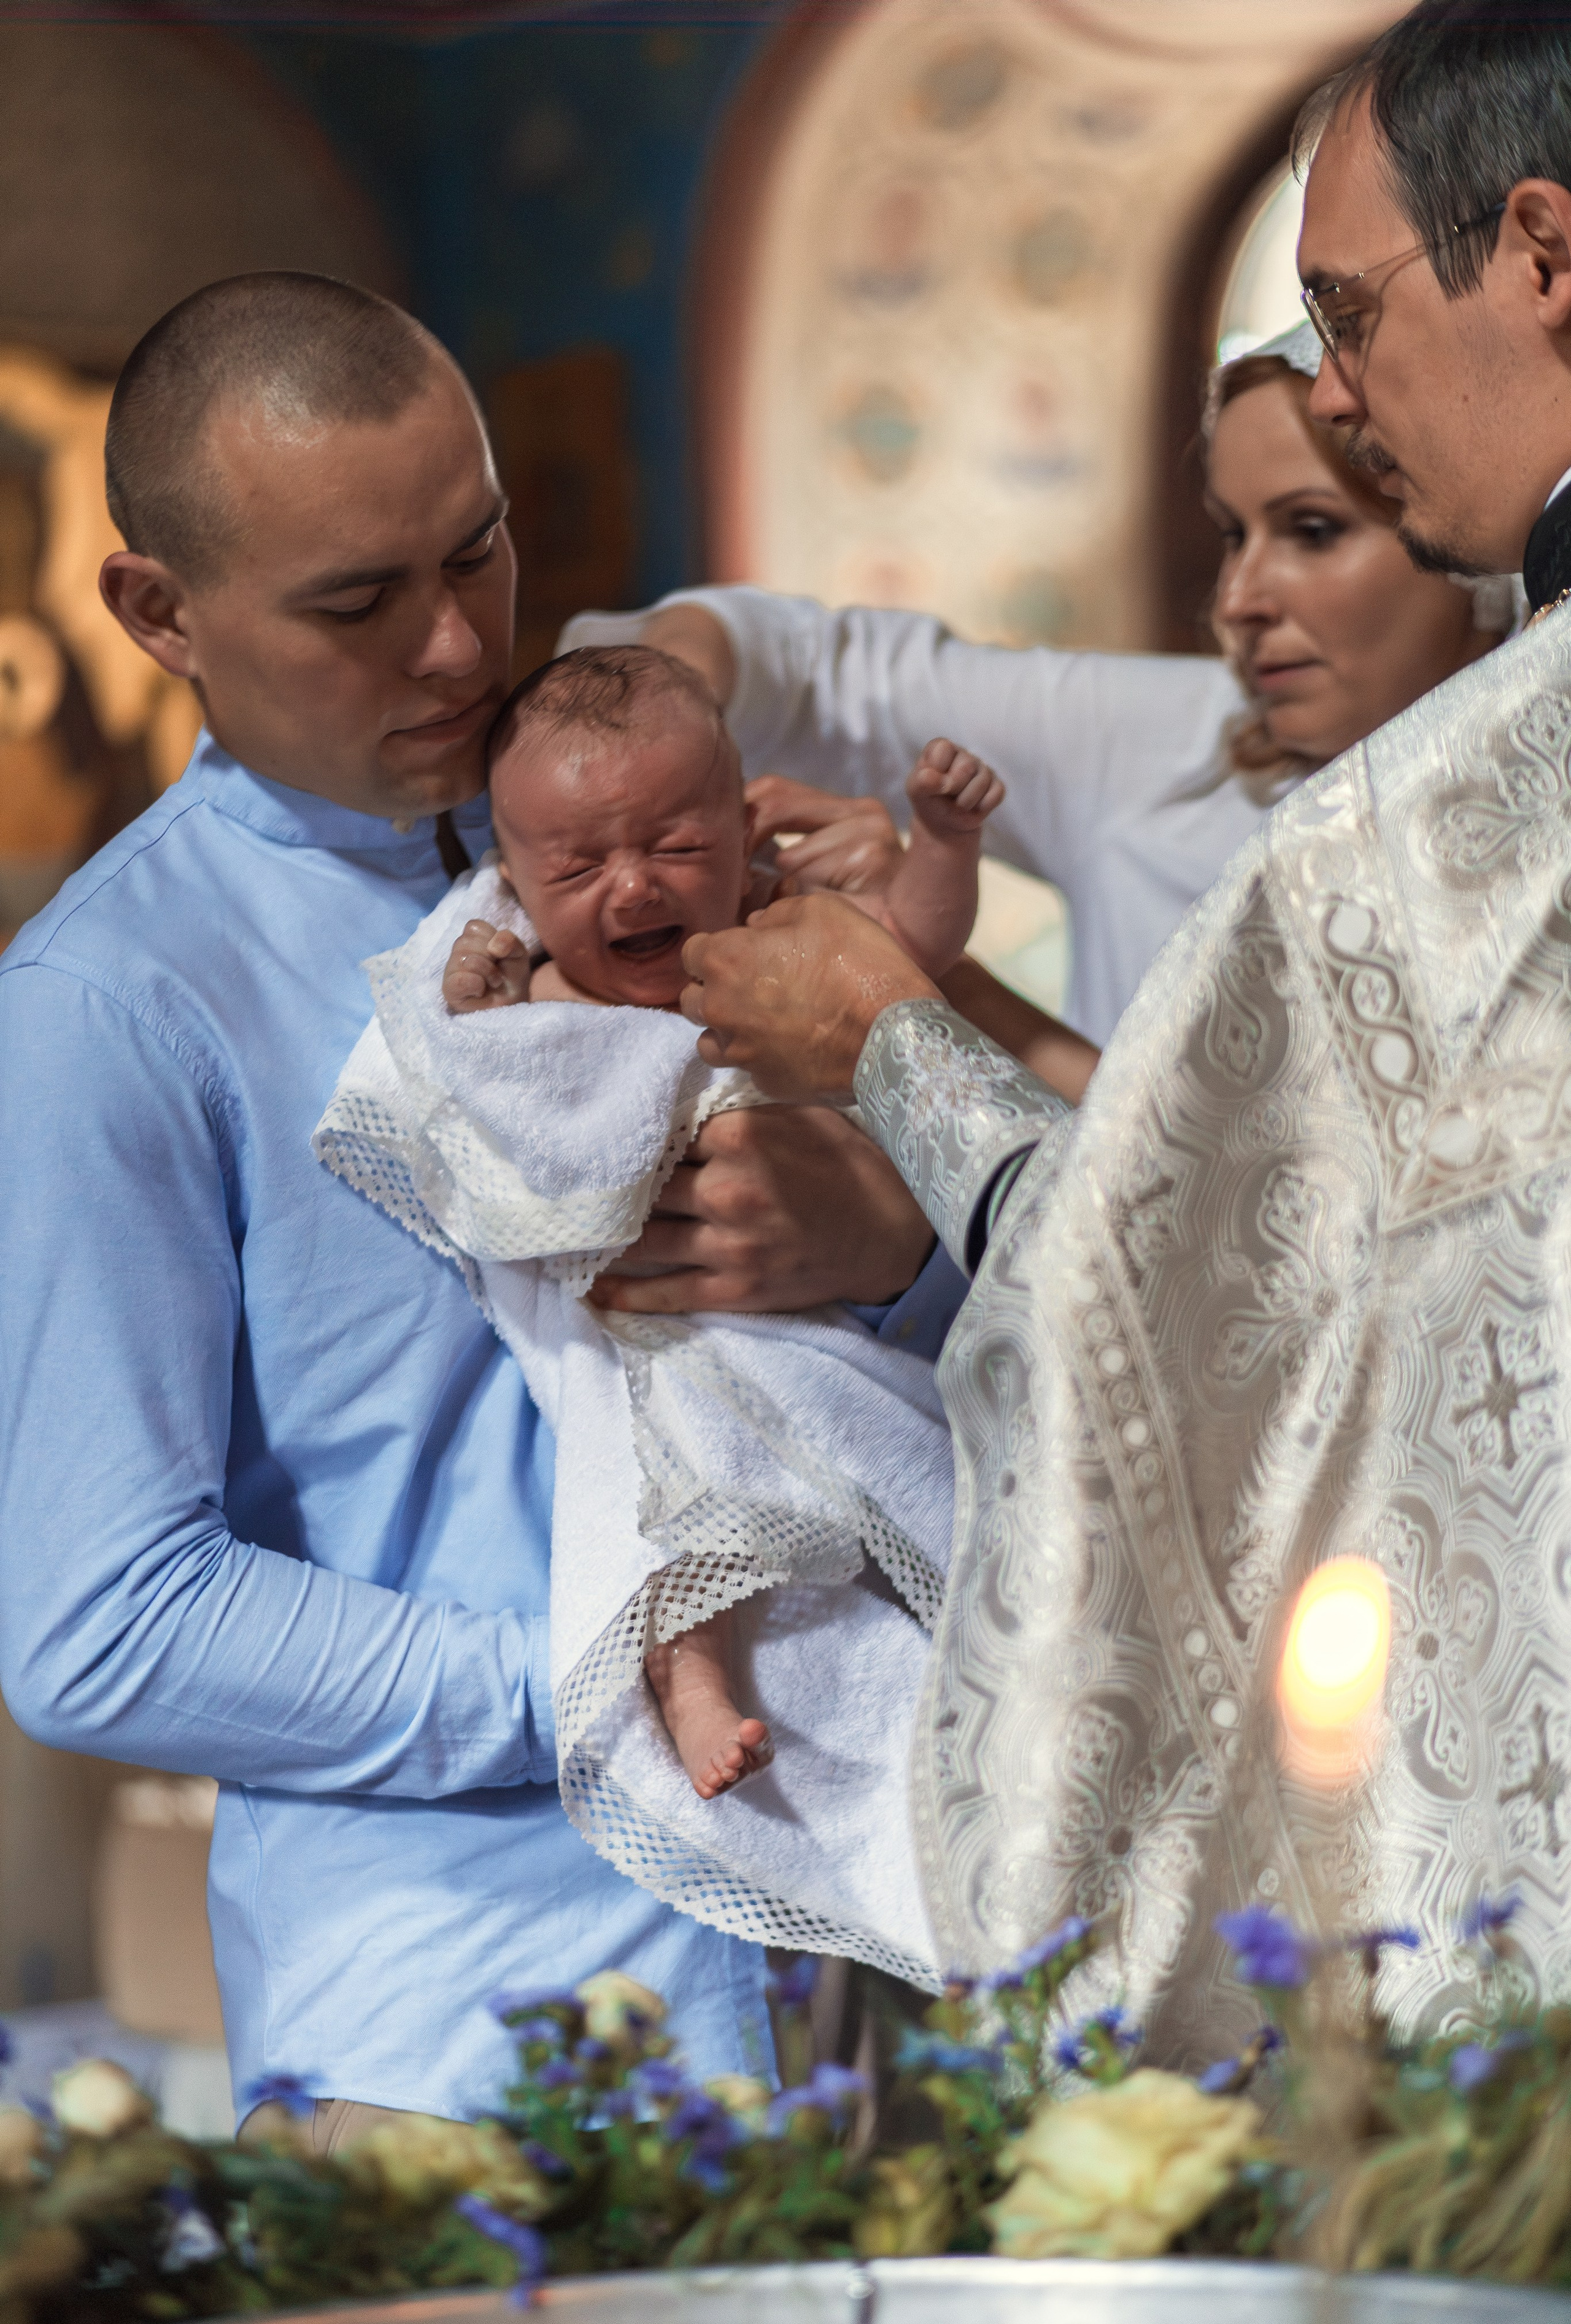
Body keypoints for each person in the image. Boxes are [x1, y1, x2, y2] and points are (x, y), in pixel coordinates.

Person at [663, 0, 1571, 2060]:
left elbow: (1169, 1333)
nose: (1338, 389)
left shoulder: (1431, 839)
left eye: (1351, 312)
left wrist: (892, 1040)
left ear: (1541, 253)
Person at [0, 274, 960, 2144]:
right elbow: (103, 1621)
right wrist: (605, 1671)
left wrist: (892, 1251)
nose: (456, 647)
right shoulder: (109, 1010)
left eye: (480, 550)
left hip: (862, 1951)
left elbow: (910, 1346)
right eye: (358, 602)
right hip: (470, 2037)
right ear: (159, 613)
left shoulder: (657, 823)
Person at [312, 645, 998, 1982]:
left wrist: (946, 843)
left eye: (675, 845)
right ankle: (690, 1676)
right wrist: (480, 1015)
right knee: (673, 1463)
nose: (631, 887)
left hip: (817, 1324)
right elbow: (491, 1104)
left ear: (741, 828)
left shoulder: (781, 933)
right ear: (514, 878)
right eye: (577, 867)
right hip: (655, 1326)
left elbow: (913, 953)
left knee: (949, 1493)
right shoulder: (535, 980)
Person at [563, 323, 1508, 1121]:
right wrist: (644, 731)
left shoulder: (1531, 840)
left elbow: (1241, 1199)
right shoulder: (1170, 737)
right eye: (1232, 534)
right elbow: (821, 675)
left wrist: (912, 981)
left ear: (1462, 532)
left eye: (1312, 529)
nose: (1240, 599)